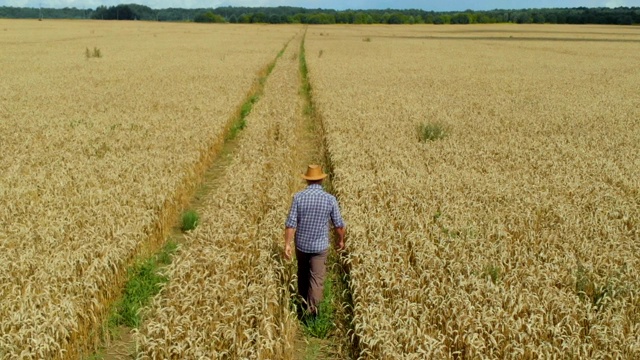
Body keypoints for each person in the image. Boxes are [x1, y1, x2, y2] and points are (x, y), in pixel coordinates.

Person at [284, 164, 345, 317]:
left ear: (308, 181)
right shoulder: (330, 199)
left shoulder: (298, 197)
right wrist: (341, 240)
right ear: (321, 181)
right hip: (320, 247)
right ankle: (312, 314)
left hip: (302, 245)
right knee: (317, 279)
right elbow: (338, 225)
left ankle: (303, 303)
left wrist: (287, 244)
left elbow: (291, 223)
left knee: (303, 273)